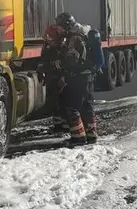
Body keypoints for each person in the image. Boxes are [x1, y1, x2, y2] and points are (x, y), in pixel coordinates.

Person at [55, 12, 98, 146]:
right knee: (87, 106)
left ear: (67, 26)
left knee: (72, 107)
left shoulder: (74, 39)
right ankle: (91, 135)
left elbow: (72, 61)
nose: (59, 30)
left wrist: (59, 64)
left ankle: (78, 137)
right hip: (88, 76)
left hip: (79, 77)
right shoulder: (83, 34)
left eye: (60, 27)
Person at [38, 24, 68, 135]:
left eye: (50, 37)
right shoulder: (48, 47)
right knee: (53, 103)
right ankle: (58, 125)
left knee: (63, 102)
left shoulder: (64, 49)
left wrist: (64, 78)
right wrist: (40, 70)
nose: (48, 39)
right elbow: (43, 59)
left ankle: (65, 126)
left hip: (60, 79)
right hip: (51, 78)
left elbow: (68, 65)